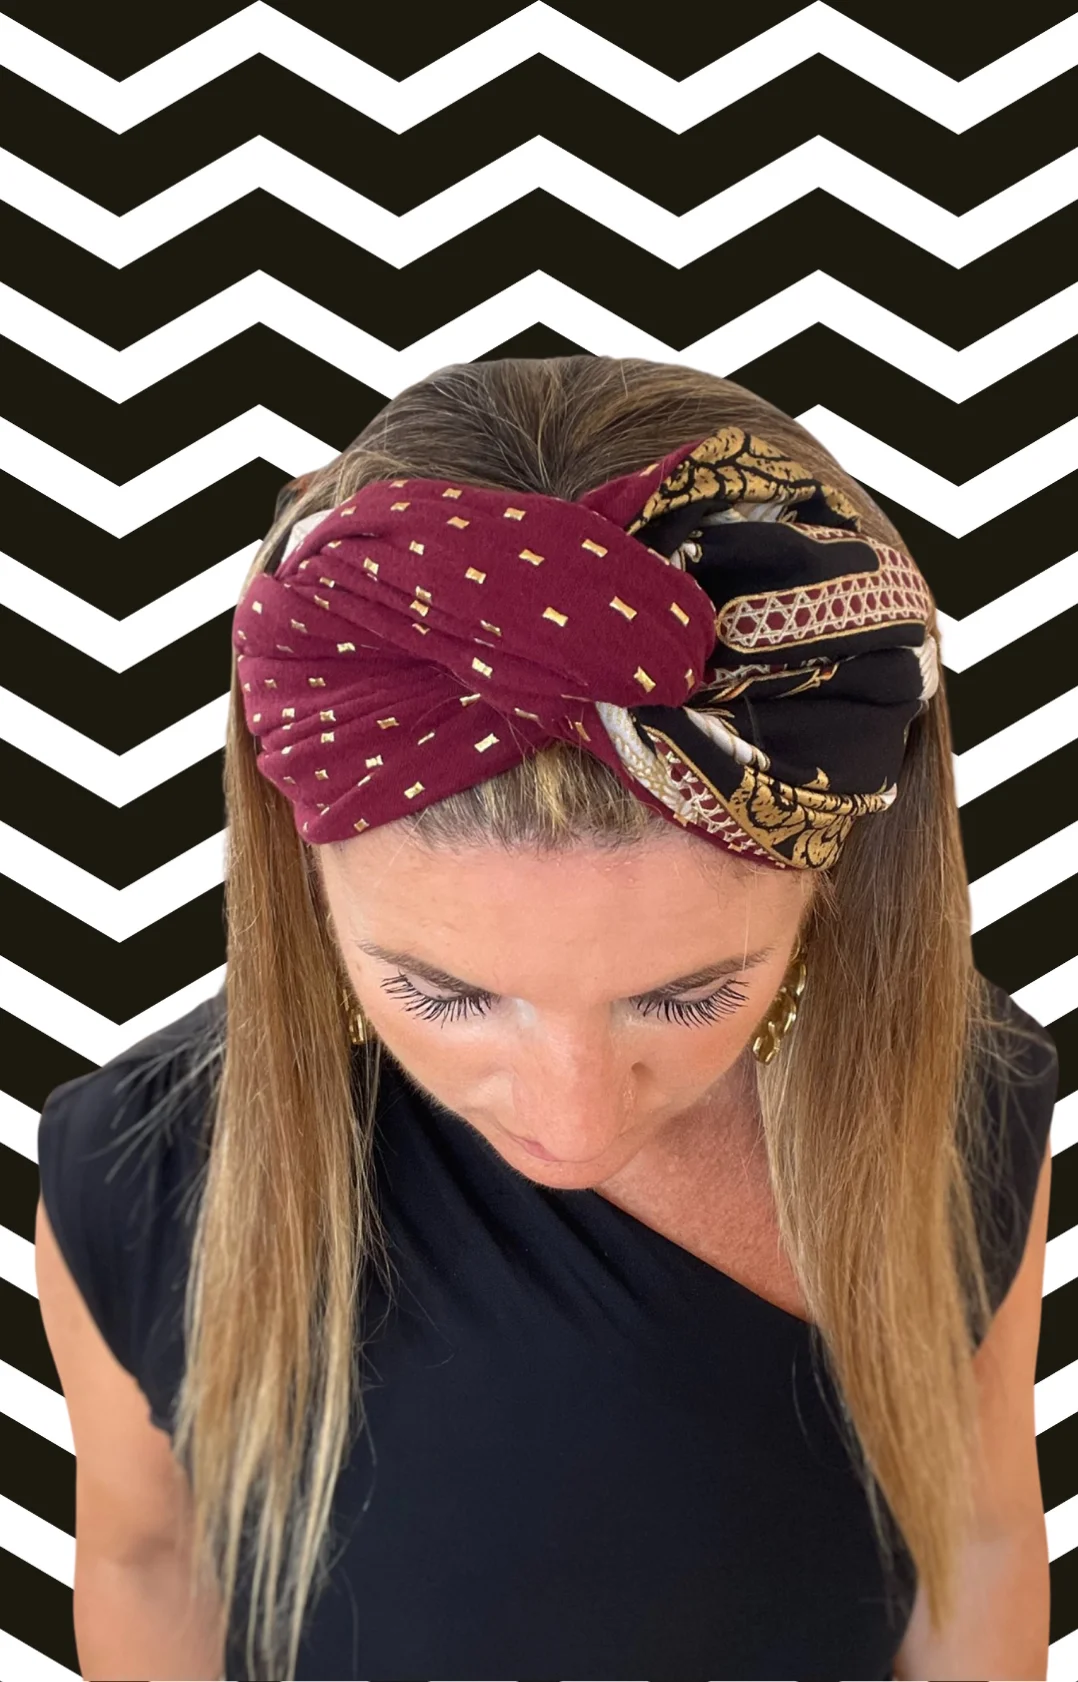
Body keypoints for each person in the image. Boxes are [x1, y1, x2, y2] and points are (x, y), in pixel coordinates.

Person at [35, 356, 1058, 1682]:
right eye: (444, 992)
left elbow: (978, 1534)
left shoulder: (963, 1104)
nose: (569, 1126)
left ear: (839, 879)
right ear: (302, 876)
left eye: (689, 993)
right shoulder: (141, 1175)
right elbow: (144, 1558)